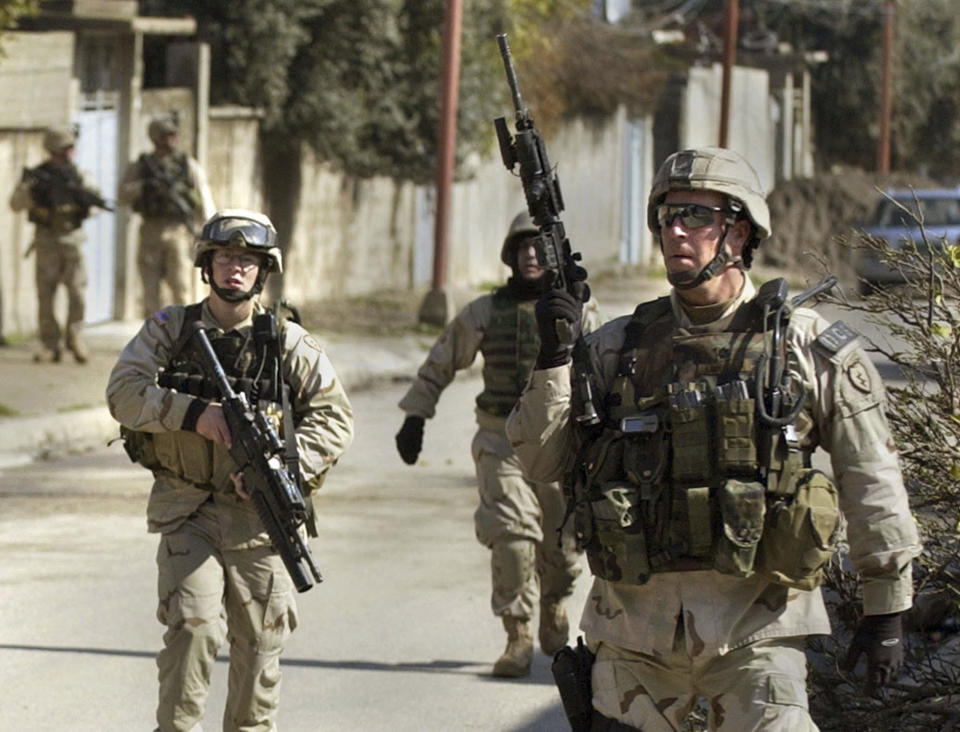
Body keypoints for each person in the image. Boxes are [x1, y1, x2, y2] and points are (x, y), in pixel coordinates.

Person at [506, 147, 922, 730]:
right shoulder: (615, 348)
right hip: (632, 642)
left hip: (756, 634)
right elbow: (540, 459)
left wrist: (887, 609)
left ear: (741, 229)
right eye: (665, 217)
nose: (675, 231)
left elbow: (870, 474)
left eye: (695, 217)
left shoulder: (802, 348)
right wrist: (553, 358)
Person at [106, 209, 354, 731]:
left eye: (248, 260)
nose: (235, 268)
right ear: (207, 264)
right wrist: (195, 414)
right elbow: (123, 393)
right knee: (193, 627)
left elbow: (335, 419)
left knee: (261, 645)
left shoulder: (286, 342)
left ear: (264, 271)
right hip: (188, 506)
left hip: (260, 520)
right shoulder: (170, 329)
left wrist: (283, 468)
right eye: (225, 257)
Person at [395, 212, 602, 678]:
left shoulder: (579, 309)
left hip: (560, 442)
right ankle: (517, 634)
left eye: (538, 246)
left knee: (565, 549)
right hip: (500, 439)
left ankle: (554, 602)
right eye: (521, 247)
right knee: (510, 538)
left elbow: (606, 366)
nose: (530, 254)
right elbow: (441, 360)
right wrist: (416, 415)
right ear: (509, 256)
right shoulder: (485, 312)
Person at [8, 125, 107, 363]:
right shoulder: (36, 176)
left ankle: (75, 338)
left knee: (77, 293)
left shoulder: (80, 176)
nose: (69, 153)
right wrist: (29, 190)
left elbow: (95, 206)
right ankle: (49, 344)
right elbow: (15, 204)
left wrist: (78, 199)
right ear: (53, 150)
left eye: (71, 148)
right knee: (46, 295)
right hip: (46, 240)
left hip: (72, 240)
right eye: (65, 148)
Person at [118, 115, 215, 317]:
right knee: (150, 292)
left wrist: (207, 230)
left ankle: (188, 335)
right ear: (155, 138)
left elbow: (204, 199)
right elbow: (123, 195)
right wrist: (145, 186)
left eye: (173, 135)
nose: (171, 140)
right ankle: (155, 339)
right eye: (166, 135)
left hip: (178, 231)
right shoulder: (142, 166)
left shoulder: (187, 165)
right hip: (150, 230)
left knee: (181, 287)